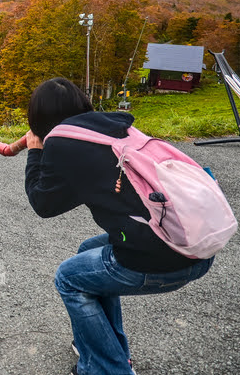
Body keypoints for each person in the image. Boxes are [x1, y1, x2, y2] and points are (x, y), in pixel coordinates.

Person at [23, 77, 214, 375]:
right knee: (87, 253)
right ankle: (103, 347)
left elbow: (43, 204)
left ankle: (109, 369)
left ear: (39, 119)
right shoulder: (115, 129)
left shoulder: (62, 143)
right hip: (197, 246)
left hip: (167, 259)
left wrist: (35, 151)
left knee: (68, 278)